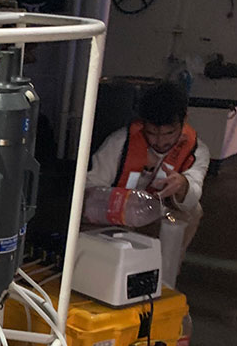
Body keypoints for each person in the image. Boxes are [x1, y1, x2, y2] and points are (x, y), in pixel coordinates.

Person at [86, 81, 210, 256]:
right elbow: (89, 188)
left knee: (193, 211)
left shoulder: (196, 151)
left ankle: (165, 270)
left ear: (184, 120)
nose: (160, 142)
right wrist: (117, 203)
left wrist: (183, 185)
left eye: (169, 133)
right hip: (116, 216)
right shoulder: (119, 143)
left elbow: (194, 190)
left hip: (157, 214)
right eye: (152, 133)